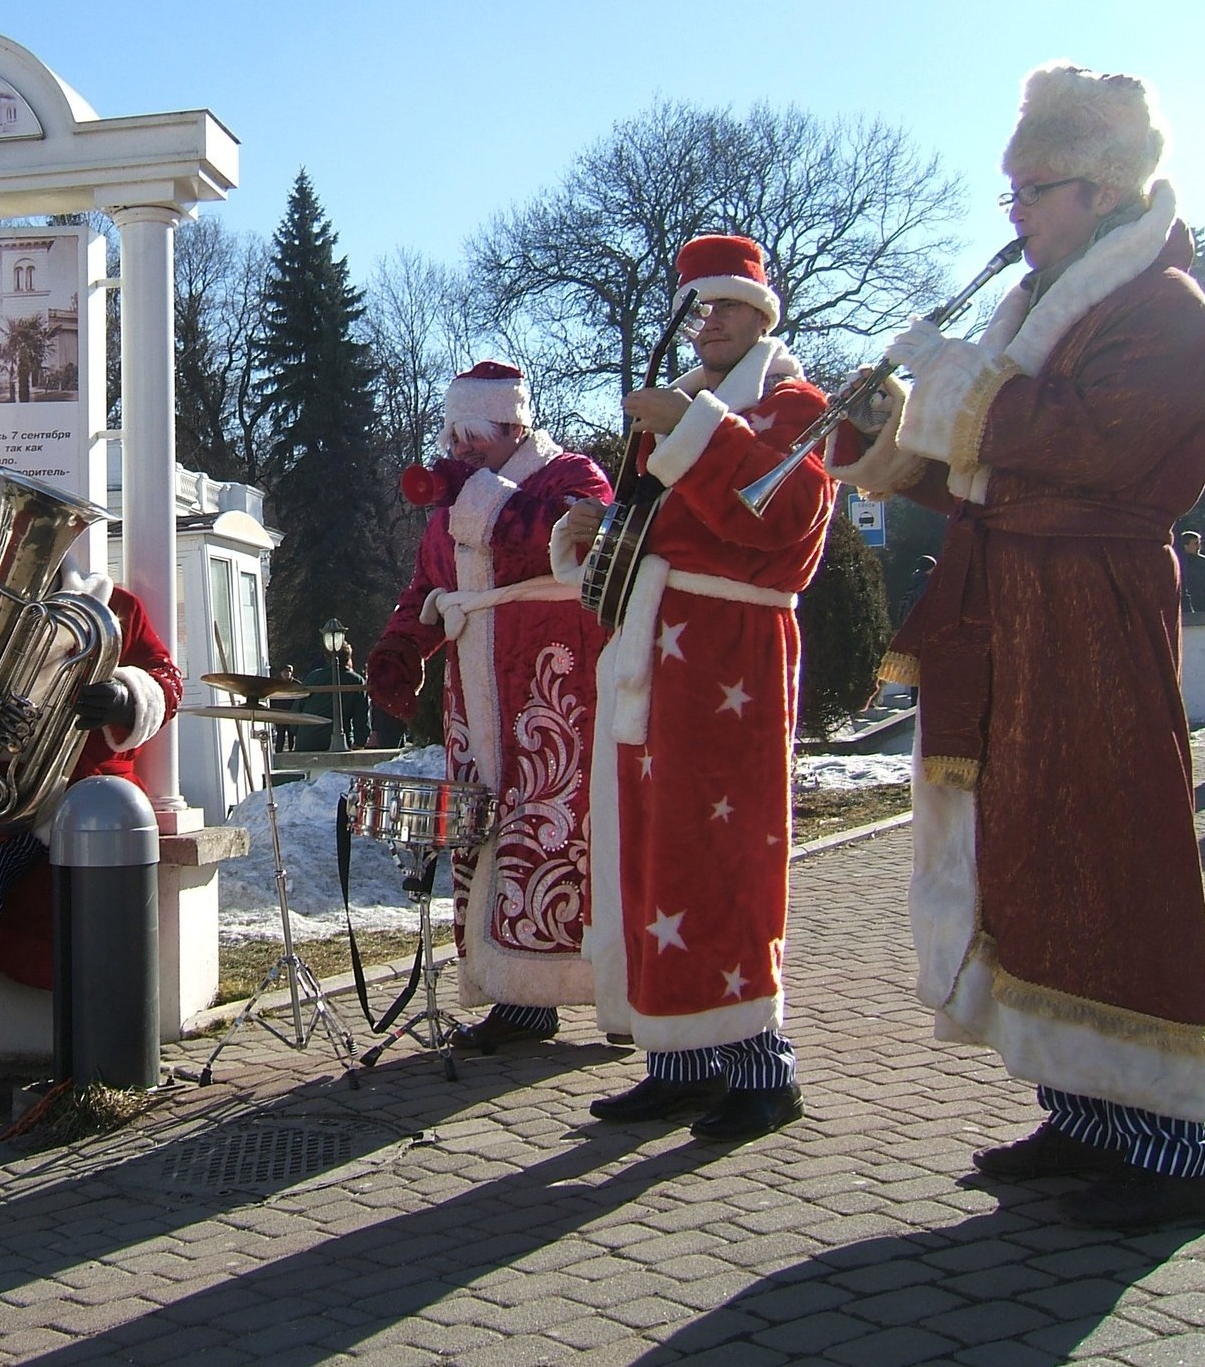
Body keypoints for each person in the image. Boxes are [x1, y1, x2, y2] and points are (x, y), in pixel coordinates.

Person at [829, 65, 1205, 1227]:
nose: (1012, 215)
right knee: (1032, 853)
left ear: (1105, 190)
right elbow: (983, 479)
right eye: (1010, 193)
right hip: (1014, 607)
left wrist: (953, 386)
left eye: (1033, 191)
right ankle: (1085, 1110)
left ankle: (1169, 1149)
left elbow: (1086, 446)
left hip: (1093, 612)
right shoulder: (1048, 313)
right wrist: (882, 444)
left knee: (1114, 848)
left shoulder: (1165, 311)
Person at [553, 234, 834, 1140]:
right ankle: (676, 1058)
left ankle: (761, 1066)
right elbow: (653, 532)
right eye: (698, 309)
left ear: (761, 316)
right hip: (654, 652)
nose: (706, 323)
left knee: (730, 856)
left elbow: (786, 518)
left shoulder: (795, 405)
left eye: (723, 308)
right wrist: (601, 528)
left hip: (730, 654)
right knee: (652, 852)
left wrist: (687, 429)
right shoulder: (680, 411)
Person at [0, 480, 181, 1126]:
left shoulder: (115, 610)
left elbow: (167, 678)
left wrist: (128, 698)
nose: (10, 561)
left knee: (101, 891)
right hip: (5, 807)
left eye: (25, 544)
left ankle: (103, 1058)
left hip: (87, 799)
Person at [369, 360, 613, 1051]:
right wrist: (399, 645)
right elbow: (427, 582)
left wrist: (480, 494)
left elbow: (576, 535)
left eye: (473, 437)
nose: (458, 451)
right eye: (453, 437)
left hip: (554, 684)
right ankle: (516, 994)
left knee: (564, 830)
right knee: (487, 830)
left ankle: (609, 989)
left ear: (514, 426)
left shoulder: (572, 475)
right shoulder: (454, 498)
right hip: (474, 692)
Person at [294, 644, 367, 752]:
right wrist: (360, 742)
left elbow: (297, 708)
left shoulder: (312, 677)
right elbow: (361, 718)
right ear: (349, 658)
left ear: (326, 657)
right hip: (339, 743)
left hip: (306, 740)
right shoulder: (356, 681)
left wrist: (298, 732)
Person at [1177, 530, 1205, 614]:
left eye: (1199, 544)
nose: (1199, 547)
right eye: (1195, 544)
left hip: (1201, 608)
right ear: (1185, 545)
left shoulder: (1203, 562)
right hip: (1181, 608)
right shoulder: (1177, 562)